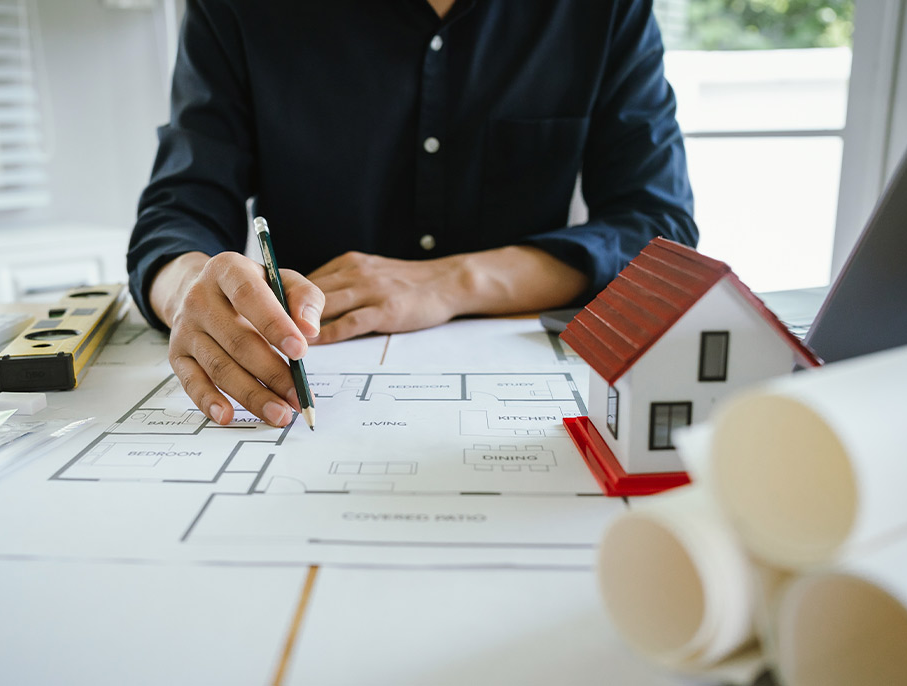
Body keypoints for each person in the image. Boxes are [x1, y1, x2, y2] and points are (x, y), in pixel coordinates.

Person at [128, 0, 697, 428]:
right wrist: (189, 290)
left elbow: (659, 229)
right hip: (314, 355)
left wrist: (457, 280)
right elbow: (182, 205)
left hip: (517, 378)